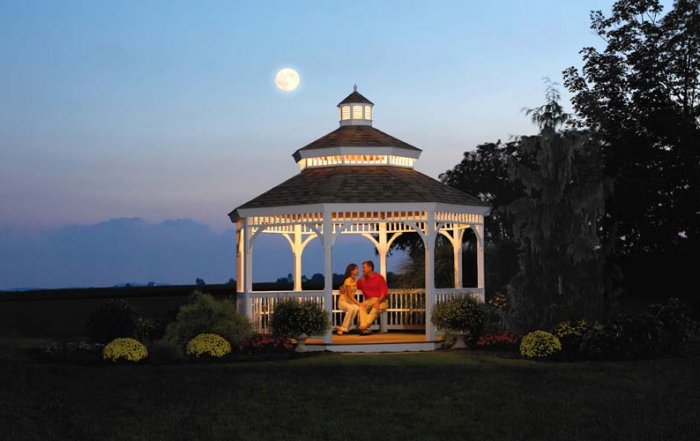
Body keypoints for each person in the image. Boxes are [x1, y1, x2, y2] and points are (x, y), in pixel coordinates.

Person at [356, 260, 389, 335]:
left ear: (370, 268)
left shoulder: (379, 278)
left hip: (382, 300)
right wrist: (343, 287)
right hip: (370, 300)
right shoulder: (363, 279)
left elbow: (384, 293)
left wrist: (377, 302)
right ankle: (365, 328)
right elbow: (353, 286)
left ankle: (364, 326)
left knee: (375, 309)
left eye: (364, 268)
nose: (362, 269)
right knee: (362, 306)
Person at [337, 263, 361, 335]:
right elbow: (349, 296)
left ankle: (345, 328)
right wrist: (358, 303)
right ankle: (344, 328)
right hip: (343, 301)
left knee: (356, 308)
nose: (358, 270)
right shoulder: (348, 280)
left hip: (349, 302)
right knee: (351, 309)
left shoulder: (355, 280)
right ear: (352, 271)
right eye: (356, 269)